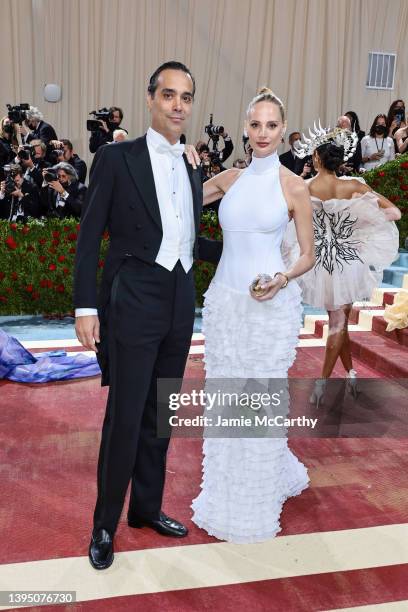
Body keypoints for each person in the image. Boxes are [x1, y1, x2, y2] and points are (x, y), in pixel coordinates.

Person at [74, 61, 218, 570]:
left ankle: (147, 509)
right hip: (133, 300)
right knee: (125, 417)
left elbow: (183, 237)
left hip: (179, 302)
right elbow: (90, 236)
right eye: (169, 95)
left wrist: (239, 252)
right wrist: (86, 305)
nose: (178, 105)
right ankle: (104, 524)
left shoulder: (192, 163)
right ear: (151, 99)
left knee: (160, 413)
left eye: (186, 97)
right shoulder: (115, 158)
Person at [191, 88, 315, 543]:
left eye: (271, 125)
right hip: (225, 304)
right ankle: (224, 494)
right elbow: (174, 204)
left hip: (267, 310)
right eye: (256, 124)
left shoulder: (293, 186)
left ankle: (255, 499)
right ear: (245, 127)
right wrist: (179, 162)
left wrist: (282, 279)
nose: (263, 133)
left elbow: (307, 255)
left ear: (282, 130)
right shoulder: (227, 179)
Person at [291, 126, 400, 406]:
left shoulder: (304, 188)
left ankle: (338, 377)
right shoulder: (353, 186)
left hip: (321, 262)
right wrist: (358, 218)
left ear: (316, 158)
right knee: (340, 323)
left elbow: (288, 220)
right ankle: (332, 380)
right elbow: (393, 212)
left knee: (337, 323)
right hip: (350, 262)